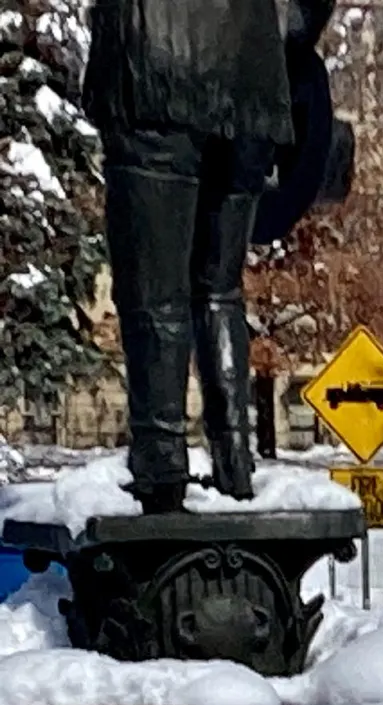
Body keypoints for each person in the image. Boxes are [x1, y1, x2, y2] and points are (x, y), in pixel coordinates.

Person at [83, 0, 320, 511]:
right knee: (219, 290)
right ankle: (234, 457)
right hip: (251, 78)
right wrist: (275, 42)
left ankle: (161, 458)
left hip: (151, 70)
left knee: (153, 288)